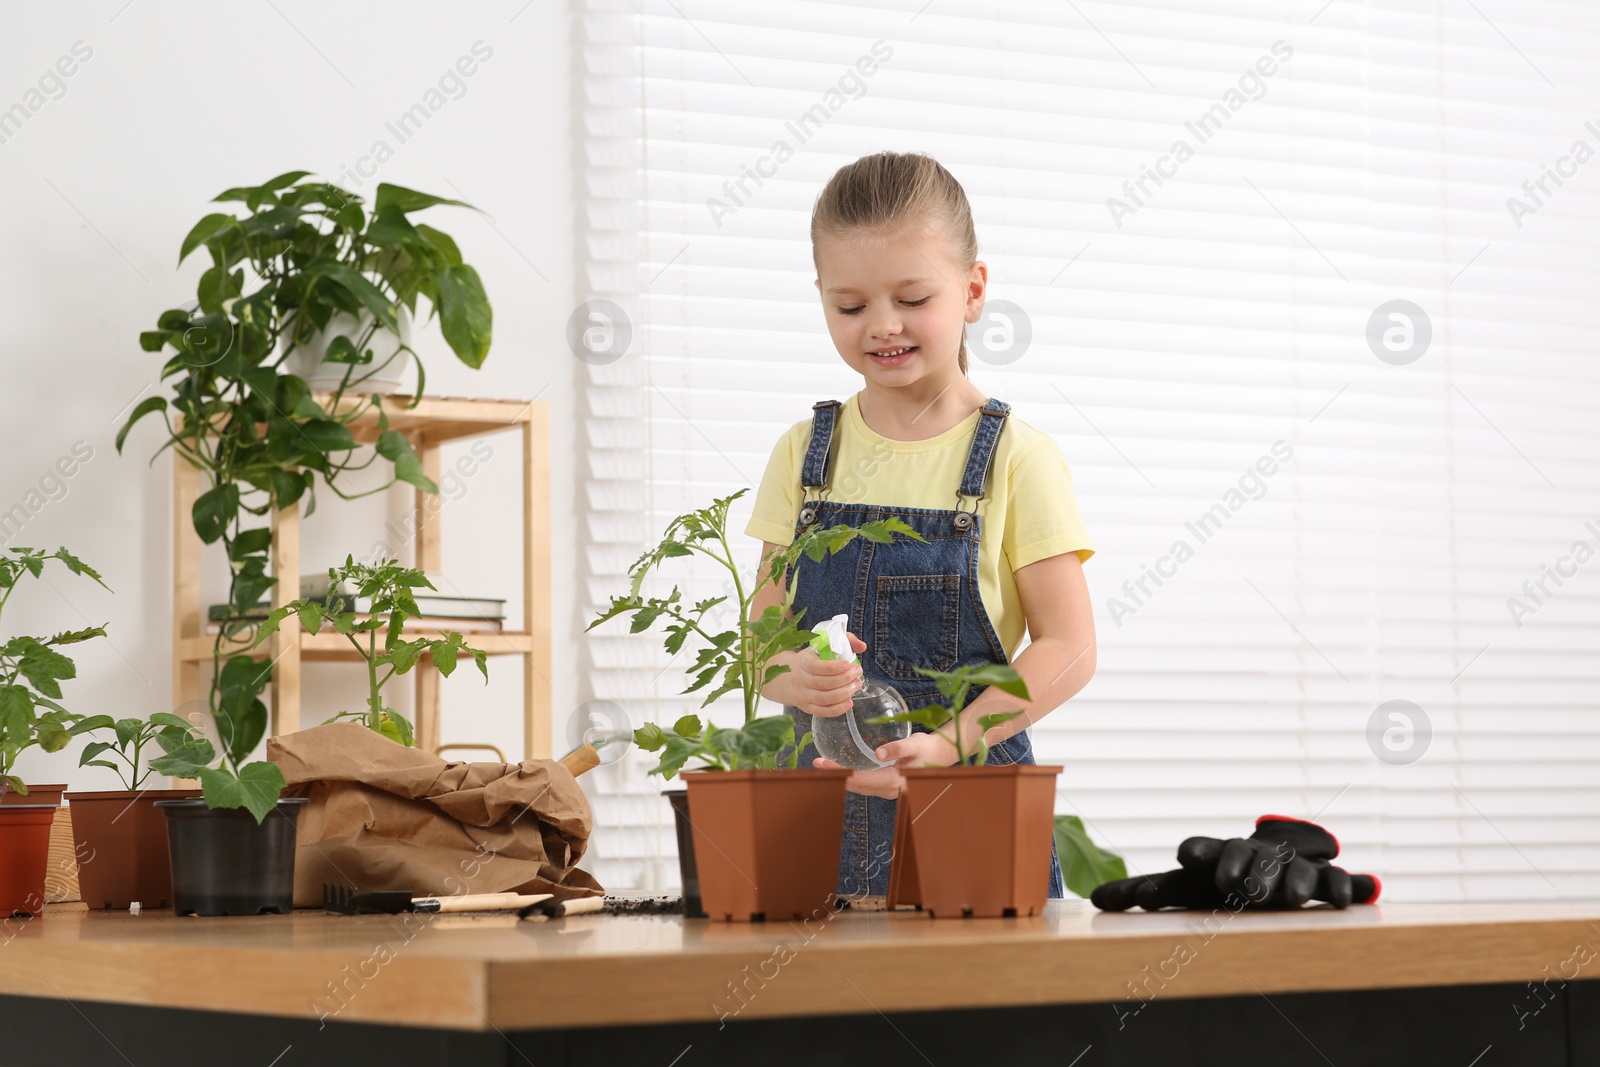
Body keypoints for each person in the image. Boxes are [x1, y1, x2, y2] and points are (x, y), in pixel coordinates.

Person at [744, 150, 1098, 902]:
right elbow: (762, 636)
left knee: (980, 1010)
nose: (883, 326)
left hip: (970, 810)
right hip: (814, 808)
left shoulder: (1016, 458)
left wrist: (951, 743)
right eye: (849, 306)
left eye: (911, 297)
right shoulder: (806, 454)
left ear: (972, 291)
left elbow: (1069, 647)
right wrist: (790, 675)